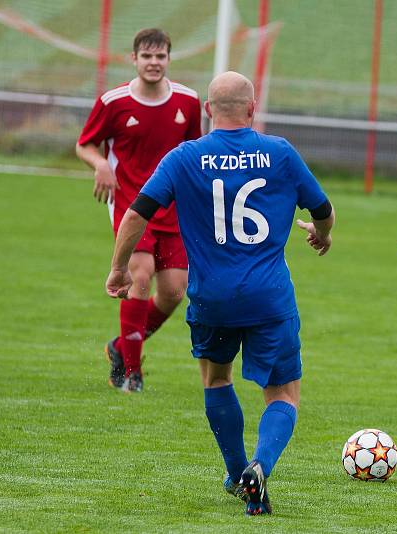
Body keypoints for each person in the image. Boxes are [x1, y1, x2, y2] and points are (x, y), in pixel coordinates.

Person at [106, 71, 334, 515]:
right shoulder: (280, 153)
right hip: (269, 296)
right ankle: (259, 467)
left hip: (211, 296)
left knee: (216, 379)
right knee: (284, 394)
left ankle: (235, 472)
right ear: (252, 109)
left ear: (208, 112)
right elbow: (323, 209)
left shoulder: (184, 157)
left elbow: (137, 215)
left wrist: (118, 268)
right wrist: (322, 236)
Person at [77, 28, 202, 392]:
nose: (154, 62)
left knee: (175, 291)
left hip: (174, 207)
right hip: (131, 203)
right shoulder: (113, 101)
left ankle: (121, 346)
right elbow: (84, 145)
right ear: (134, 59)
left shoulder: (188, 101)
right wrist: (100, 164)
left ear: (168, 59)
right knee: (141, 275)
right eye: (146, 56)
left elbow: (193, 152)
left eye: (160, 56)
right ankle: (131, 373)